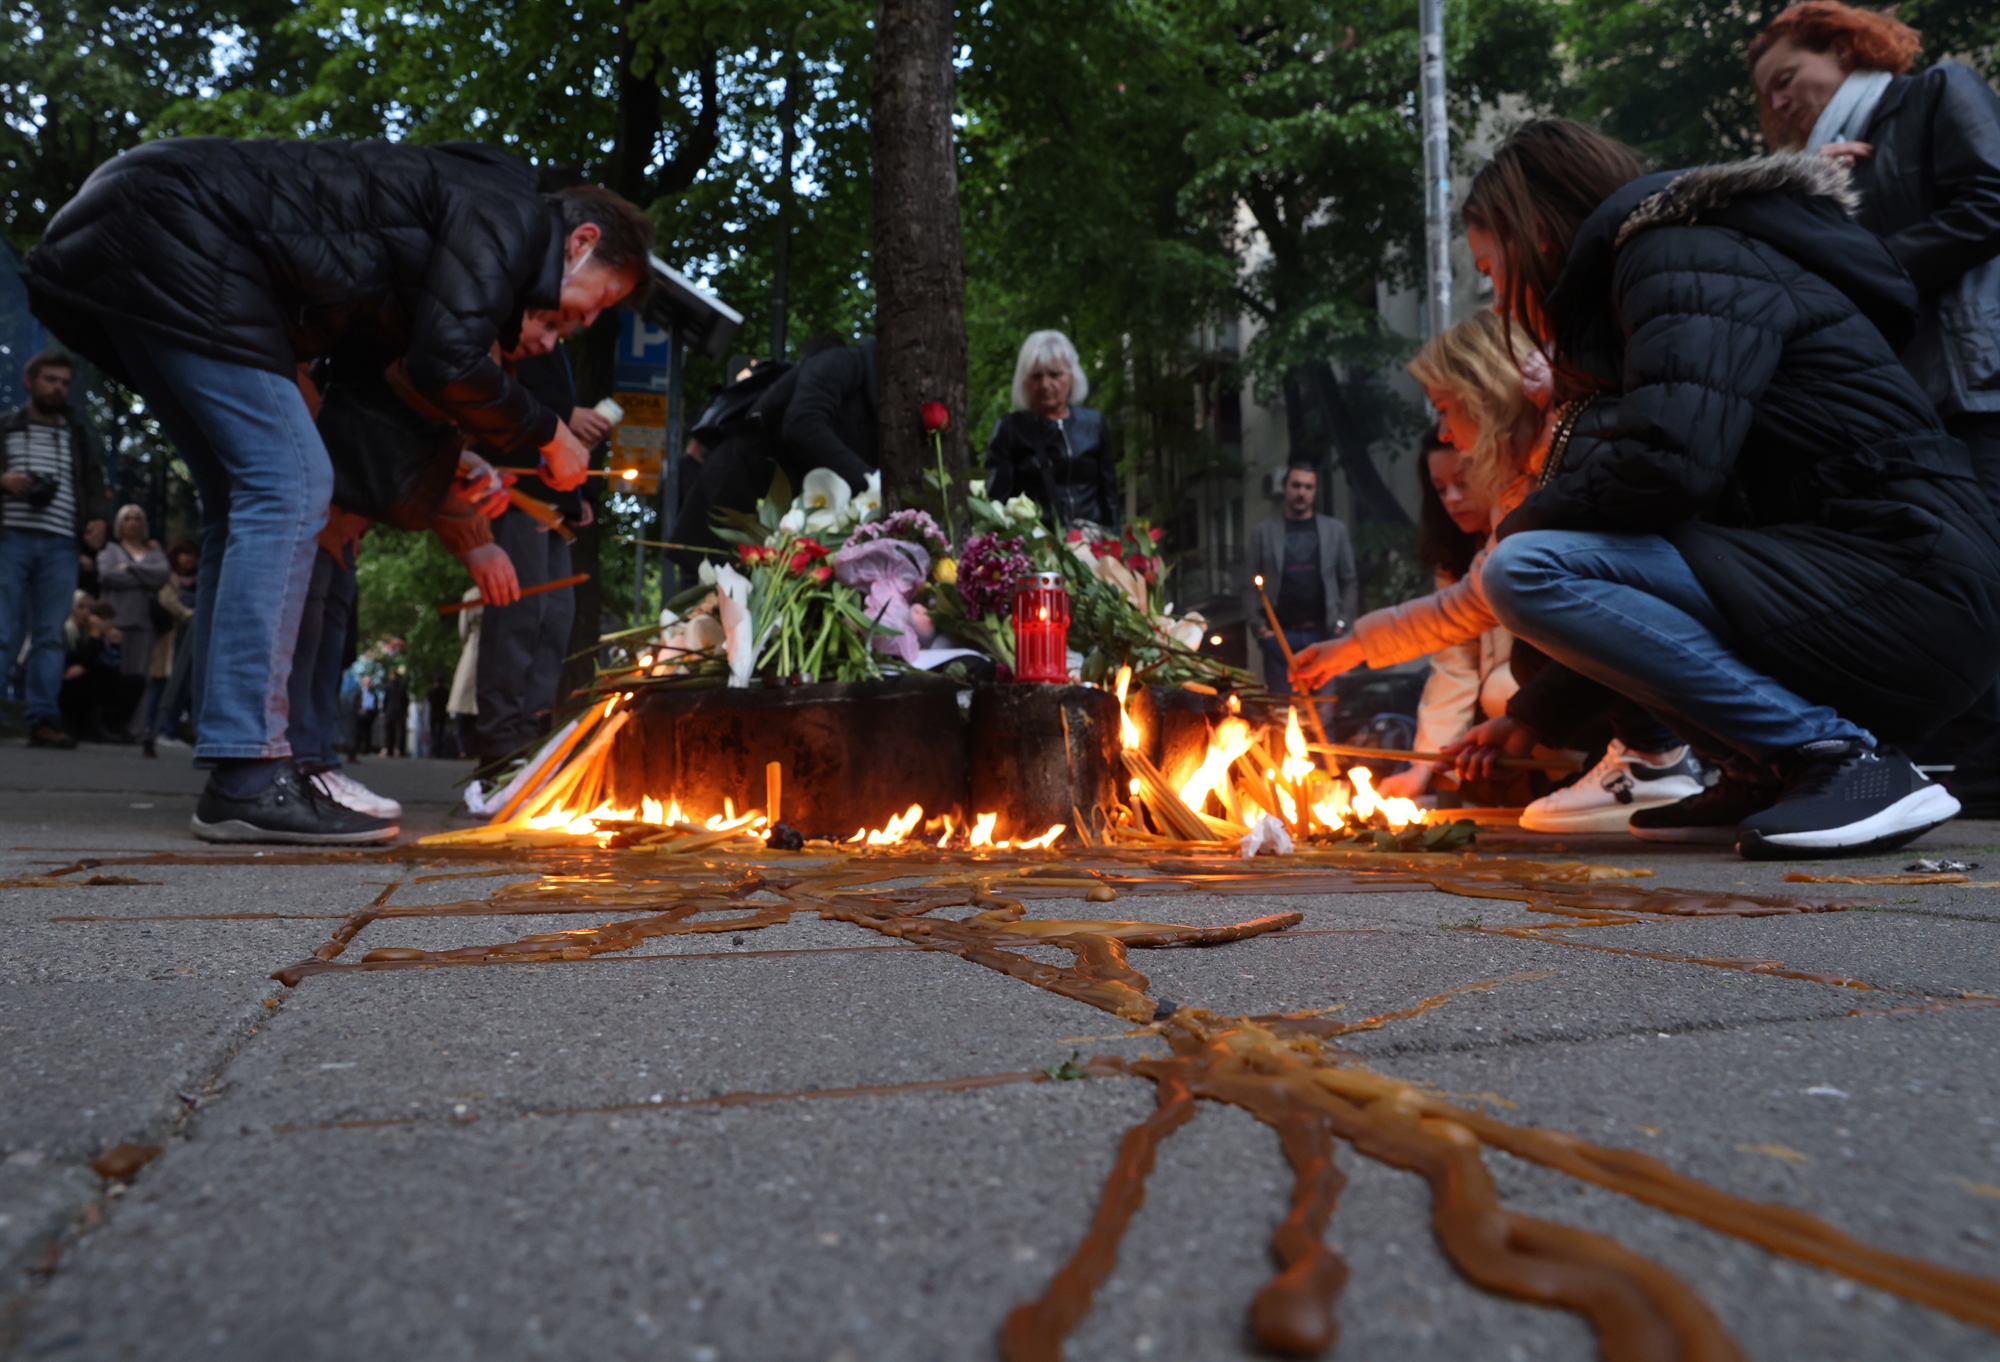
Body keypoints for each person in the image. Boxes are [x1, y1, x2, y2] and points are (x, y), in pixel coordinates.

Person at [23, 138, 653, 844]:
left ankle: (261, 758)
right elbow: (444, 360)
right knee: (293, 484)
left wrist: (453, 466)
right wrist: (547, 432)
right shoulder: (510, 212)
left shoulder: (461, 220)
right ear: (582, 241)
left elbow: (381, 362)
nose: (592, 322)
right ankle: (248, 774)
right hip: (179, 233)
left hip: (134, 235)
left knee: (248, 498)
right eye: (606, 299)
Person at [1449, 118, 2000, 857]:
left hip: (1911, 573)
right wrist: (1534, 715)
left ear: (1536, 238)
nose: (1499, 301)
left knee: (1531, 567)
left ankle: (1836, 759)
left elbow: (1672, 463)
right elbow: (1666, 569)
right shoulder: (1670, 270)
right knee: (1555, 573)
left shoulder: (1675, 255)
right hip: (1875, 577)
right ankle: (1764, 768)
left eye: (1491, 272)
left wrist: (1523, 522)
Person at [1294, 313, 1706, 828]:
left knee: (1530, 633)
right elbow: (1465, 618)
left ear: (1483, 395)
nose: (1444, 430)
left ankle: (1652, 753)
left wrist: (1526, 714)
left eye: (1445, 409)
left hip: (1703, 625)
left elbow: (1494, 601)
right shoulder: (1526, 476)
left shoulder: (1566, 455)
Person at [1752, 2, 2000, 816]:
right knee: (1947, 571)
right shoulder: (1823, 166)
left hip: (1978, 377)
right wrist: (1815, 203)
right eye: (1770, 94)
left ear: (1841, 46)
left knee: (1983, 567)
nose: (1782, 101)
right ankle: (1965, 759)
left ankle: (1985, 764)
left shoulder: (1934, 92)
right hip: (1906, 403)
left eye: (1789, 77)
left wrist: (1871, 257)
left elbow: (1990, 200)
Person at [472, 344, 606, 768]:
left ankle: (531, 738)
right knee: (520, 612)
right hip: (516, 491)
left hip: (554, 496)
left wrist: (578, 494)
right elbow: (503, 394)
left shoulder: (556, 345)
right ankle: (501, 744)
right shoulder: (515, 332)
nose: (558, 333)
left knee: (555, 617)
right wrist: (566, 412)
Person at [0, 349, 110, 749]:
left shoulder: (77, 433)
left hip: (62, 544)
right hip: (9, 537)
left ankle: (44, 719)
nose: (58, 388)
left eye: (64, 382)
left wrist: (98, 520)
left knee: (50, 636)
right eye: (50, 380)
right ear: (30, 382)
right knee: (1, 628)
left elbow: (95, 484)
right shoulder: (7, 426)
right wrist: (4, 479)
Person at [1244, 462, 1356, 713]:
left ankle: (1324, 753)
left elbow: (1348, 580)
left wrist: (1341, 624)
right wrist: (1260, 629)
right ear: (1285, 488)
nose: (1301, 492)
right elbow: (1250, 584)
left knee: (1322, 713)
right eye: (1296, 485)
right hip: (1280, 635)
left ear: (1315, 491)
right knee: (1283, 713)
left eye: (1308, 487)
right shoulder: (1263, 533)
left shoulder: (1334, 531)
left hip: (1324, 634)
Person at [985, 330, 1120, 528]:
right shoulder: (1010, 429)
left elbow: (1109, 493)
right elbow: (996, 501)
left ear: (1072, 377)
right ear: (1025, 381)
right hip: (1037, 545)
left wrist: (1114, 541)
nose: (1045, 384)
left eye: (1055, 375)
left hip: (1093, 541)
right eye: (1036, 376)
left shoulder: (1093, 423)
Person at [94, 504, 169, 740]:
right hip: (115, 621)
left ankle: (135, 729)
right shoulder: (110, 550)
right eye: (127, 518)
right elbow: (107, 575)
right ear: (119, 523)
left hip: (143, 622)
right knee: (114, 675)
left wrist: (130, 569)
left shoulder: (155, 553)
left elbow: (162, 576)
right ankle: (109, 725)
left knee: (140, 676)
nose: (132, 523)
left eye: (137, 519)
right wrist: (144, 576)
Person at [140, 540, 198, 757]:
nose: (189, 558)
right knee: (163, 684)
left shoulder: (200, 580)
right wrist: (188, 615)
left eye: (192, 554)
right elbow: (167, 600)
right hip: (172, 637)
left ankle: (171, 730)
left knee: (183, 687)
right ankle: (156, 729)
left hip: (190, 638)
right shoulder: (169, 577)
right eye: (184, 553)